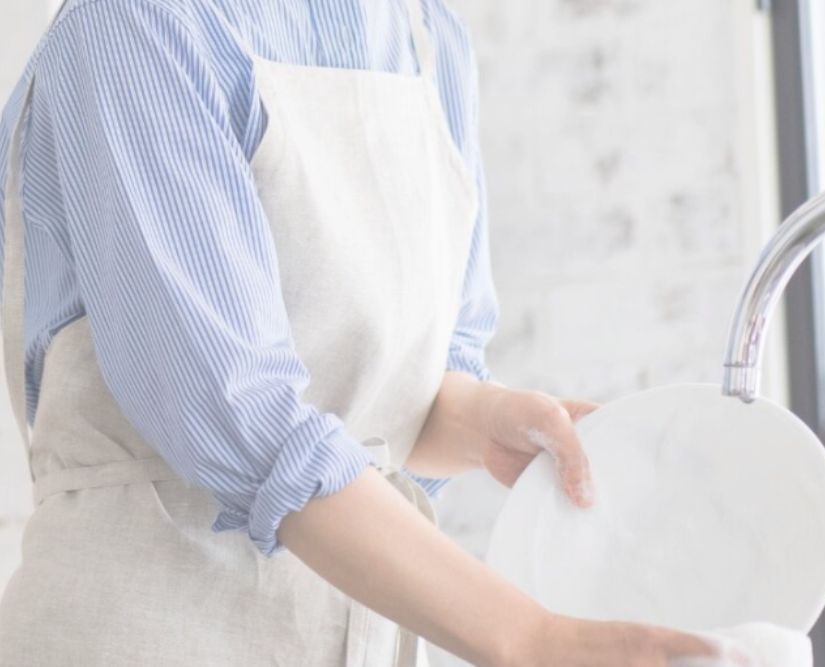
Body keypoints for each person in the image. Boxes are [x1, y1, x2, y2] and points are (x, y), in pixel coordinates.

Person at [0, 1, 726, 665]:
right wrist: (533, 638)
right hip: (144, 630)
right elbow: (246, 421)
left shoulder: (427, 36)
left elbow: (402, 392)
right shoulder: (138, 24)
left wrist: (482, 417)